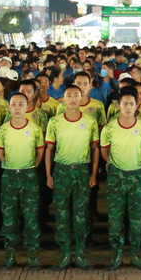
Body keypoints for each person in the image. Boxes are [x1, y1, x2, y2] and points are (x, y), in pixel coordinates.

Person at [44, 84, 100, 269]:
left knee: (81, 214)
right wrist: (48, 174)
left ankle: (81, 253)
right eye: (69, 95)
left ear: (82, 96)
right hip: (61, 171)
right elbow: (49, 149)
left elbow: (95, 149)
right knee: (62, 214)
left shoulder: (90, 121)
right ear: (64, 98)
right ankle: (65, 253)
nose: (73, 98)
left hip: (82, 171)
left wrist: (93, 174)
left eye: (77, 95)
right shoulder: (55, 121)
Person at [100, 88, 141, 270]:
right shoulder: (110, 128)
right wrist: (116, 165)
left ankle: (136, 254)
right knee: (116, 218)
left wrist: (137, 165)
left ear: (137, 105)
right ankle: (117, 254)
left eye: (132, 104)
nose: (129, 107)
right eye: (125, 104)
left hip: (137, 176)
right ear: (118, 105)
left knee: (137, 218)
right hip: (117, 176)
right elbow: (104, 151)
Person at [0, 90, 45, 268]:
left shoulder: (34, 129)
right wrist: (8, 164)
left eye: (21, 104)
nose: (17, 108)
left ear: (27, 107)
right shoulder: (3, 129)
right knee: (9, 216)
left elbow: (40, 152)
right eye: (13, 104)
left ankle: (32, 253)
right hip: (9, 175)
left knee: (30, 215)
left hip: (29, 175)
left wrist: (32, 166)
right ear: (9, 107)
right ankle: (10, 253)